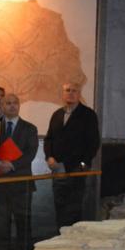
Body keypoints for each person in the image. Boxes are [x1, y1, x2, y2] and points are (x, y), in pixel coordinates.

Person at [44, 82, 100, 231]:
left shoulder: (88, 115)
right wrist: (49, 157)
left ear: (79, 94)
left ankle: (73, 242)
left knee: (74, 210)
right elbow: (49, 139)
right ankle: (61, 240)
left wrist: (83, 163)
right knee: (60, 208)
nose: (70, 93)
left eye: (74, 90)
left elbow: (93, 143)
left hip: (76, 170)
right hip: (57, 169)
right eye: (67, 90)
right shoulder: (57, 114)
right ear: (63, 94)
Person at [0, 93, 38, 250]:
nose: (12, 106)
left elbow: (30, 153)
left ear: (19, 106)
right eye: (8, 103)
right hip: (0, 182)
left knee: (23, 222)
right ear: (2, 106)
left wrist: (11, 165)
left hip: (22, 183)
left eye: (15, 103)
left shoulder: (30, 128)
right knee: (1, 223)